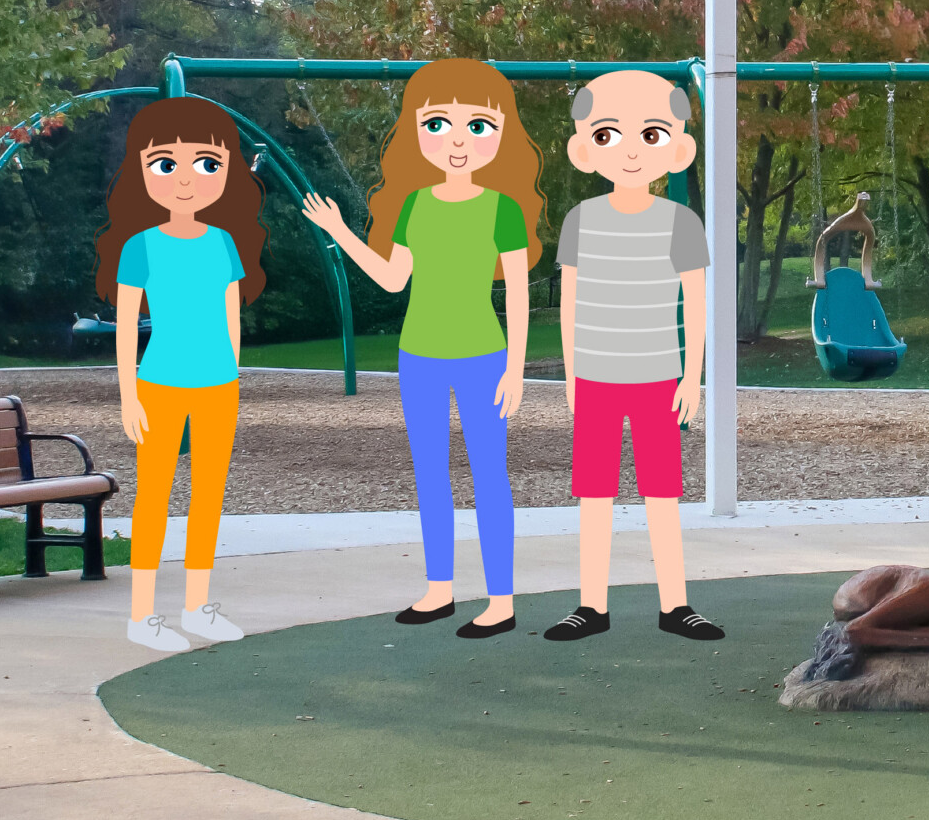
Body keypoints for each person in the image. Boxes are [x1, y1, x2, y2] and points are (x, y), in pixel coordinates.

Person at [301, 59, 543, 637]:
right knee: (430, 473)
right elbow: (390, 279)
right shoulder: (414, 207)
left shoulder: (502, 210)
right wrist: (340, 234)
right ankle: (439, 589)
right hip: (420, 358)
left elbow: (517, 295)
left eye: (476, 127)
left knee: (490, 475)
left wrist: (516, 368)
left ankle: (501, 600)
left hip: (485, 355)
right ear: (418, 131)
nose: (458, 141)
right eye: (439, 125)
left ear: (500, 135)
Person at [541, 67, 724, 643]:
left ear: (678, 148)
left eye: (650, 135)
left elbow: (696, 305)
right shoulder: (581, 222)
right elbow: (569, 303)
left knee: (661, 493)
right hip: (596, 376)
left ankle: (676, 605)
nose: (627, 151)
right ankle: (590, 605)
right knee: (594, 495)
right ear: (583, 148)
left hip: (656, 377)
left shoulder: (680, 223)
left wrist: (692, 376)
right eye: (606, 135)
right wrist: (571, 374)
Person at [99, 96, 267, 653]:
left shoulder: (222, 242)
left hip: (219, 385)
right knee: (154, 495)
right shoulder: (139, 247)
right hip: (160, 383)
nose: (187, 179)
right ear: (143, 173)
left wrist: (234, 373)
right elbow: (127, 328)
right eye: (166, 164)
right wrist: (128, 396)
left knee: (208, 495)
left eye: (207, 164)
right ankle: (142, 615)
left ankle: (197, 607)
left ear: (227, 173)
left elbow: (230, 316)